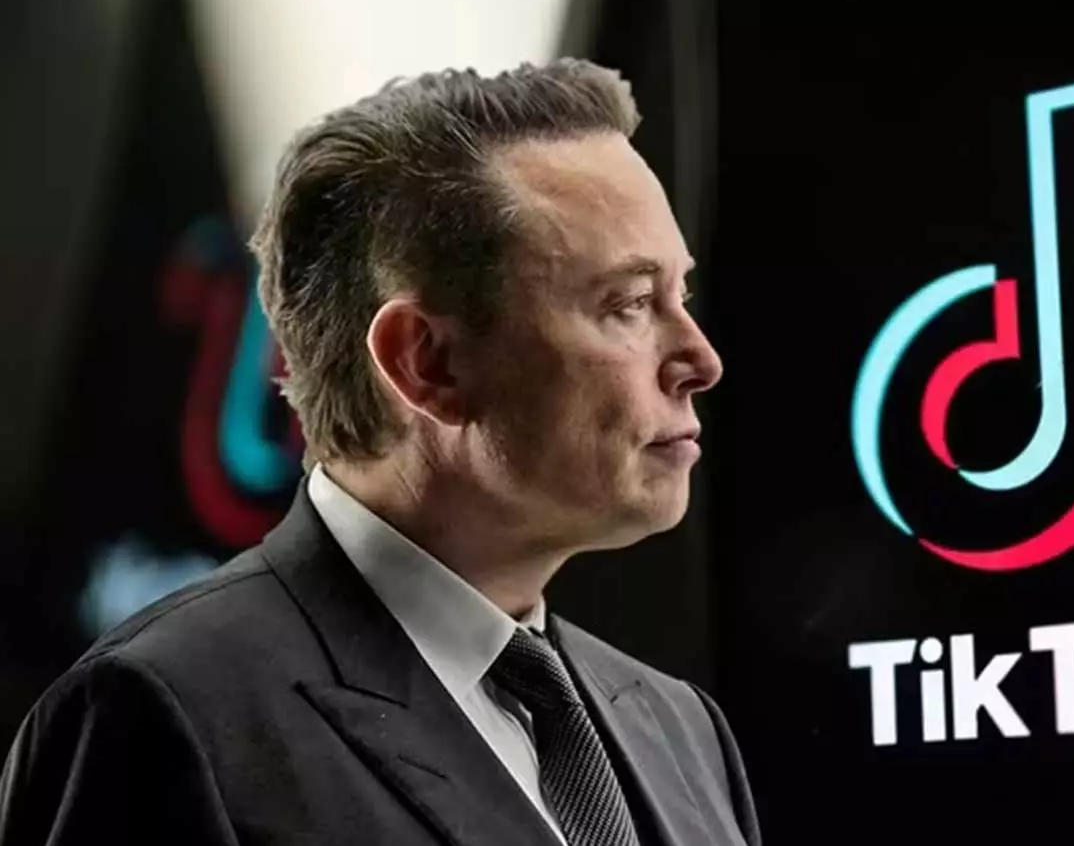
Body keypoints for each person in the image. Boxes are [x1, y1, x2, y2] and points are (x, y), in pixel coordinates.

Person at [0, 59, 758, 846]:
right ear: (424, 363)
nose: (701, 359)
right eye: (629, 304)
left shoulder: (681, 731)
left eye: (680, 295)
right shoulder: (165, 713)